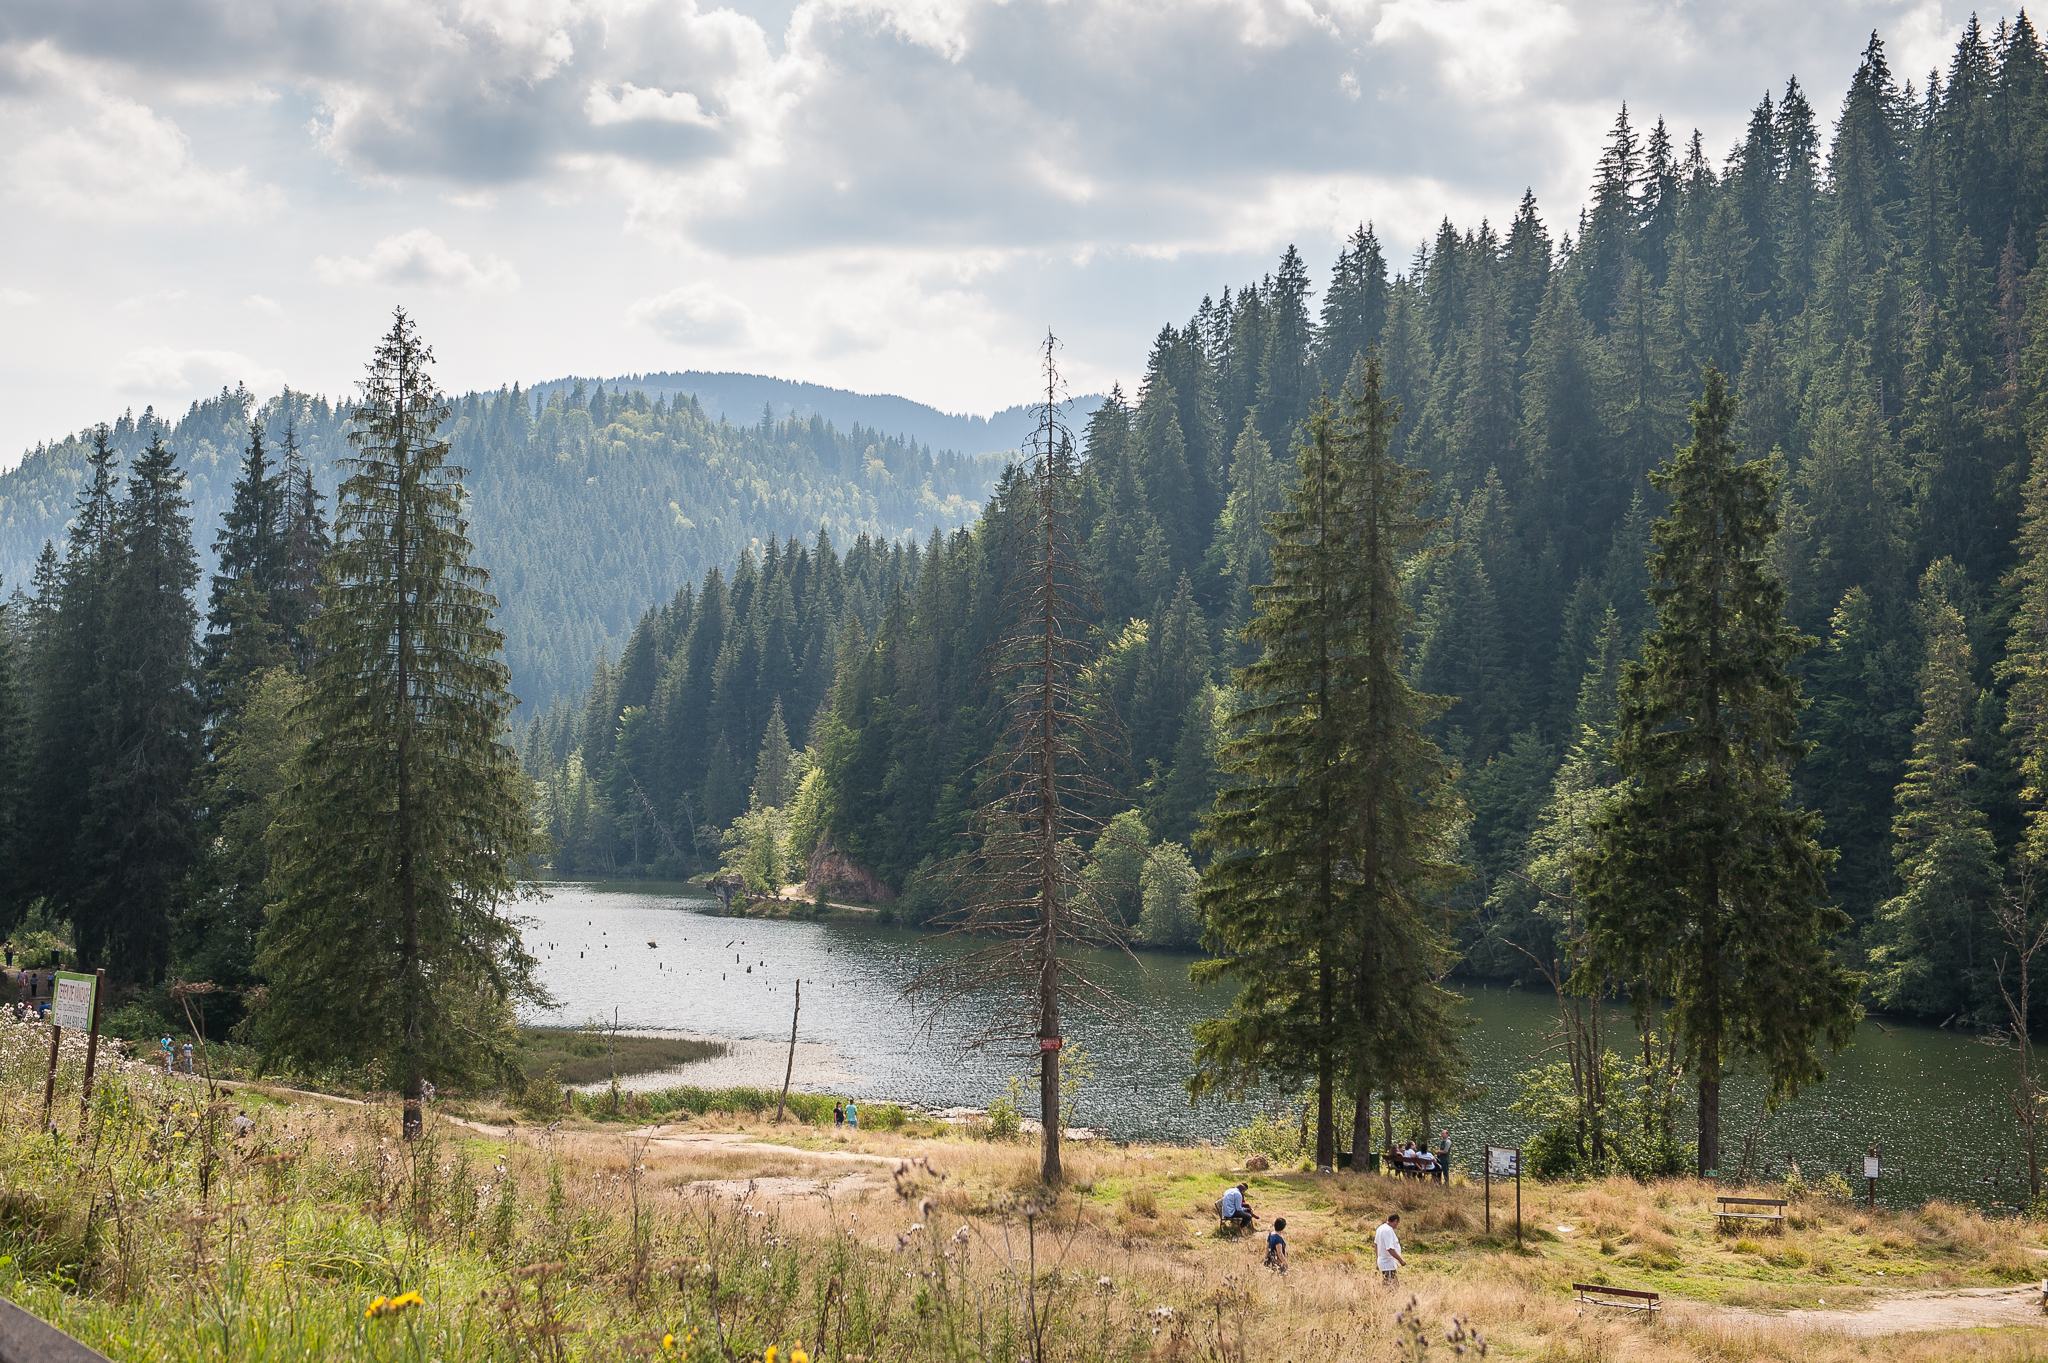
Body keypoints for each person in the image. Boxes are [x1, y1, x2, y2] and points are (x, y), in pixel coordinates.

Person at [1375, 1212, 1405, 1286]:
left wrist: (1378, 1257)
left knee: (1391, 1284)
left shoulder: (1380, 1228)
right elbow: (1390, 1248)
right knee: (1391, 1286)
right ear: (1395, 1221)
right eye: (1397, 1223)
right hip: (1388, 1263)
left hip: (1384, 1262)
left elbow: (1376, 1244)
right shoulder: (1388, 1230)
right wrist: (1400, 1260)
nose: (1397, 1225)